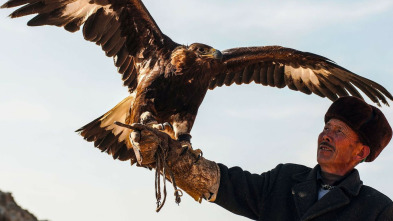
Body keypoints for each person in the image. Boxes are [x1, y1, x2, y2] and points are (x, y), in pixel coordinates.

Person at [127, 96, 393, 220]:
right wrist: (168, 156)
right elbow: (225, 184)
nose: (326, 136)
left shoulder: (378, 210)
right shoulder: (285, 180)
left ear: (361, 152)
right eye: (326, 128)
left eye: (339, 132)